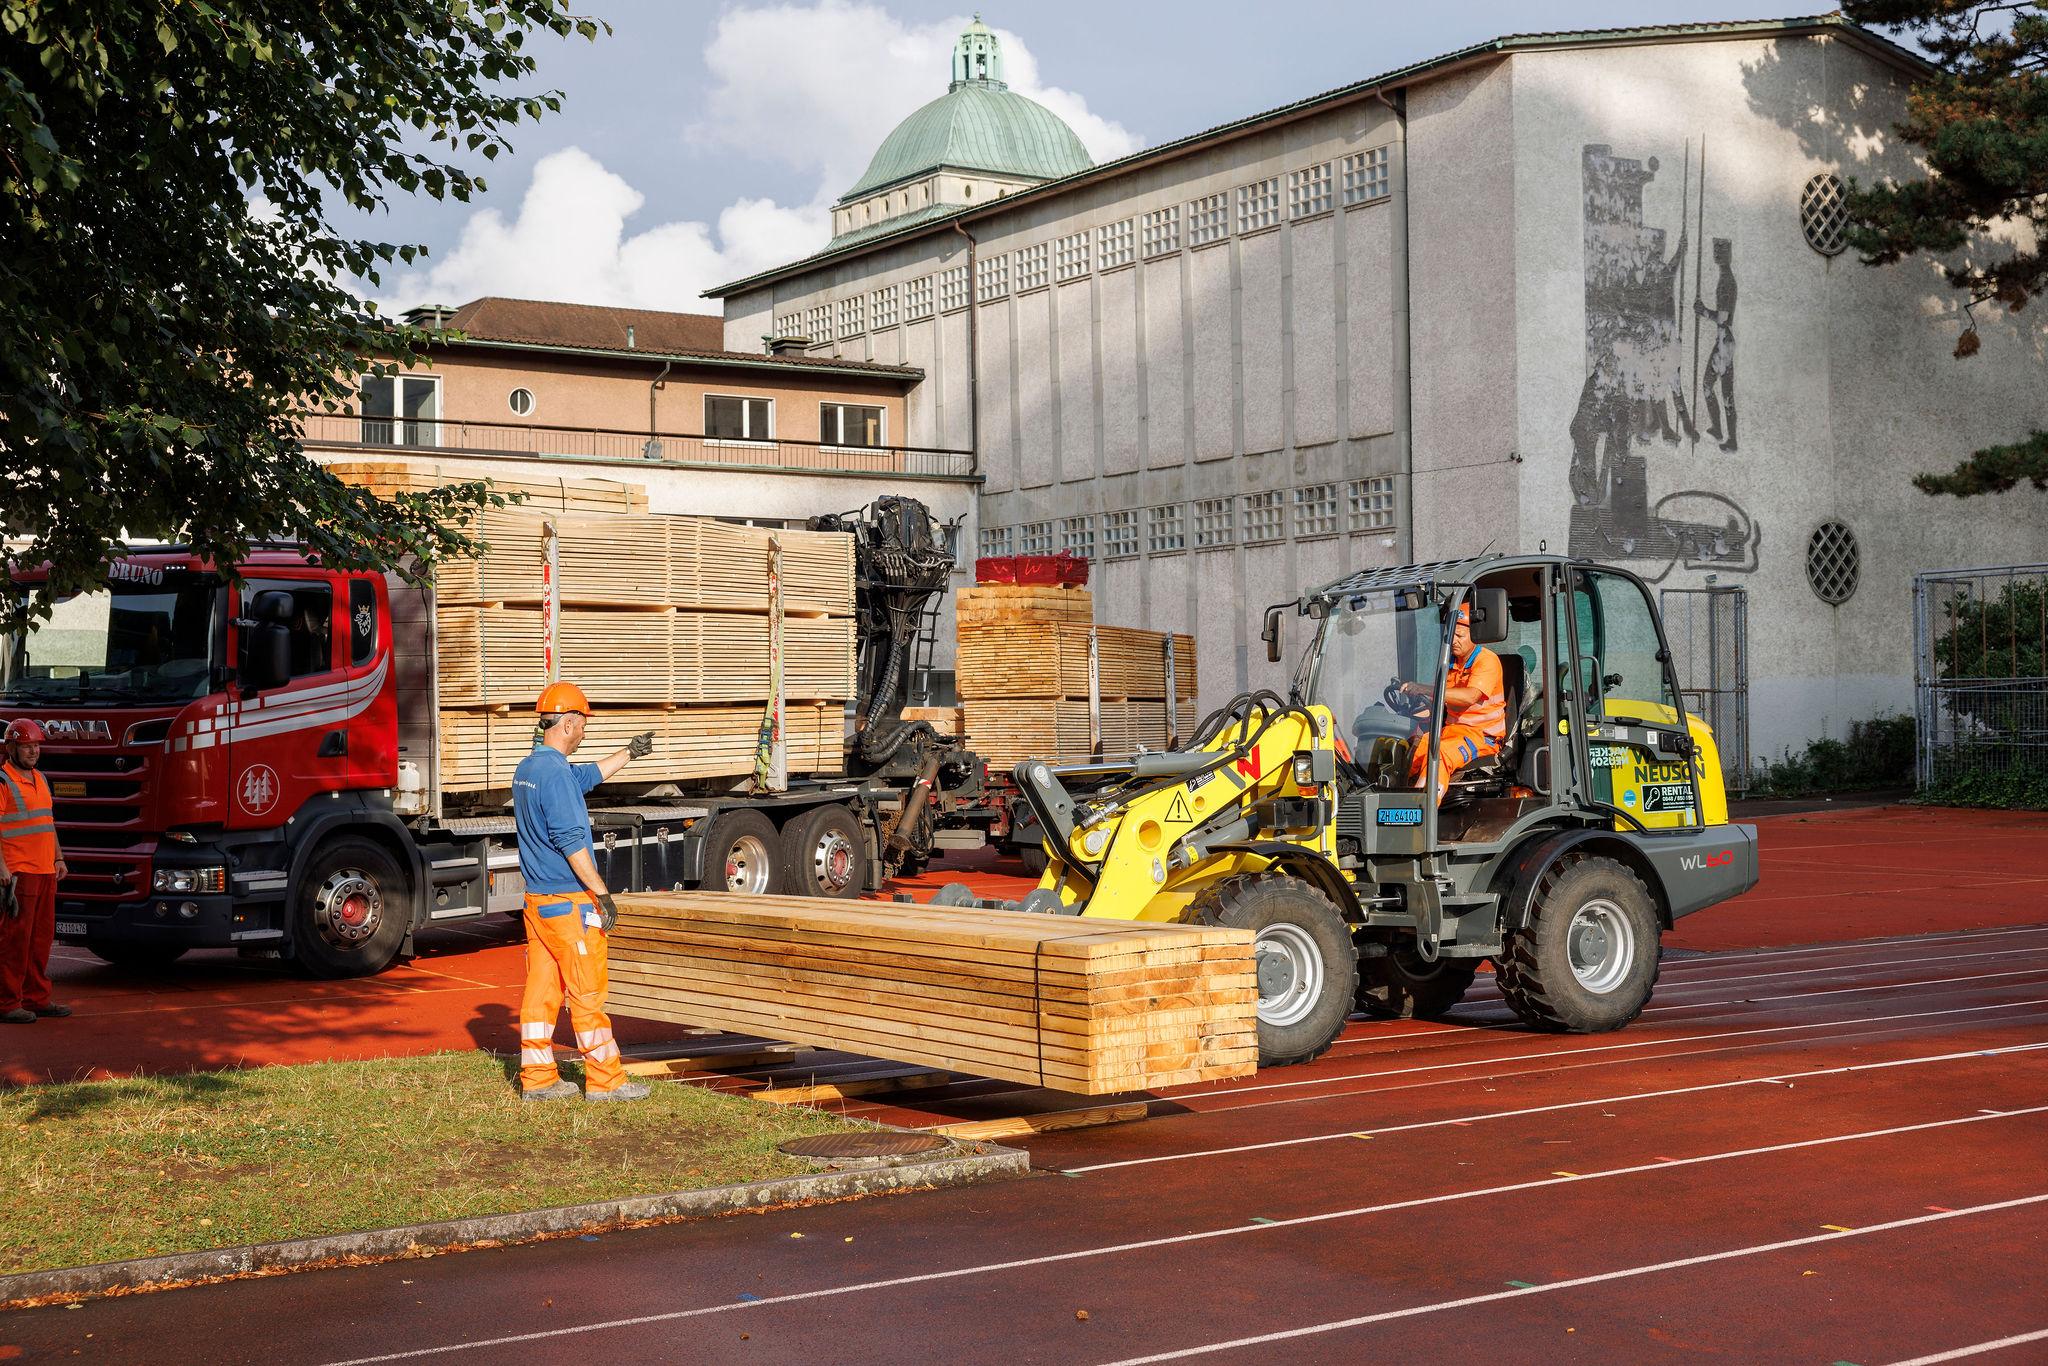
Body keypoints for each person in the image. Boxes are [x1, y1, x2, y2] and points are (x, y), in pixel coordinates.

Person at [512, 681, 655, 1101]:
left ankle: (537, 1080)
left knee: (541, 992)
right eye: (583, 725)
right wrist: (603, 894)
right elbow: (573, 844)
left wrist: (630, 752)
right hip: (571, 904)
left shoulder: (531, 769)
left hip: (538, 903)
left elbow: (588, 776)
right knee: (588, 992)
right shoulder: (555, 777)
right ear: (569, 723)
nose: (584, 734)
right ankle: (606, 1082)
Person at [1399, 604, 1508, 804]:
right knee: (1410, 750)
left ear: (1475, 633)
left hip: (1482, 737)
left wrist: (1424, 689)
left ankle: (1419, 813)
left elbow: (1469, 697)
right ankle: (1392, 806)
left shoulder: (1487, 661)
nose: (1454, 641)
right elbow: (1443, 700)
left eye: (1459, 635)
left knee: (1438, 755)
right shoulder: (1451, 664)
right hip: (1452, 731)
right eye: (1451, 635)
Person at [0, 719, 70, 1023]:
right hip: (19, 874)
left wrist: (58, 858)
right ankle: (6, 1002)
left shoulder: (40, 778)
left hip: (44, 872)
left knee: (41, 939)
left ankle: (37, 998)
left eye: (37, 745)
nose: (34, 751)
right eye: (28, 745)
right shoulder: (3, 781)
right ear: (11, 747)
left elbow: (47, 823)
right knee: (15, 941)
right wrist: (1, 868)